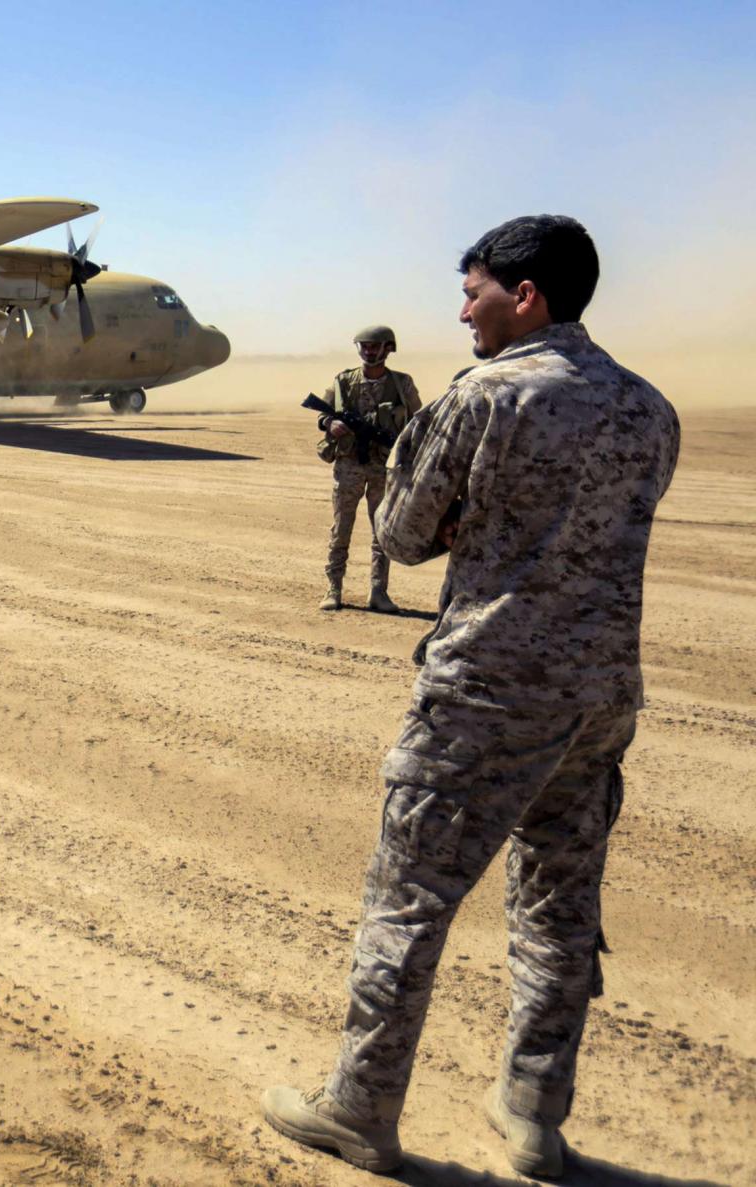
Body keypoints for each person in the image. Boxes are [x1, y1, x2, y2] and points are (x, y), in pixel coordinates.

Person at [263, 216, 680, 1178]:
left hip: (485, 691)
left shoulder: (484, 396)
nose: (463, 313)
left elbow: (405, 537)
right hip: (599, 695)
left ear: (524, 295)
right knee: (560, 908)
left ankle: (359, 1107)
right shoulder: (650, 407)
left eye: (473, 292)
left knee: (408, 903)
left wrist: (462, 519)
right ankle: (534, 1116)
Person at [314, 327, 420, 612]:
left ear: (388, 348)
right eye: (365, 346)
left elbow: (417, 422)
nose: (369, 351)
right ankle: (333, 588)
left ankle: (378, 592)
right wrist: (330, 424)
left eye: (375, 346)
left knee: (381, 532)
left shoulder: (402, 384)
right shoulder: (344, 381)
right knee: (341, 530)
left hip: (383, 468)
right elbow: (323, 413)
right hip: (348, 464)